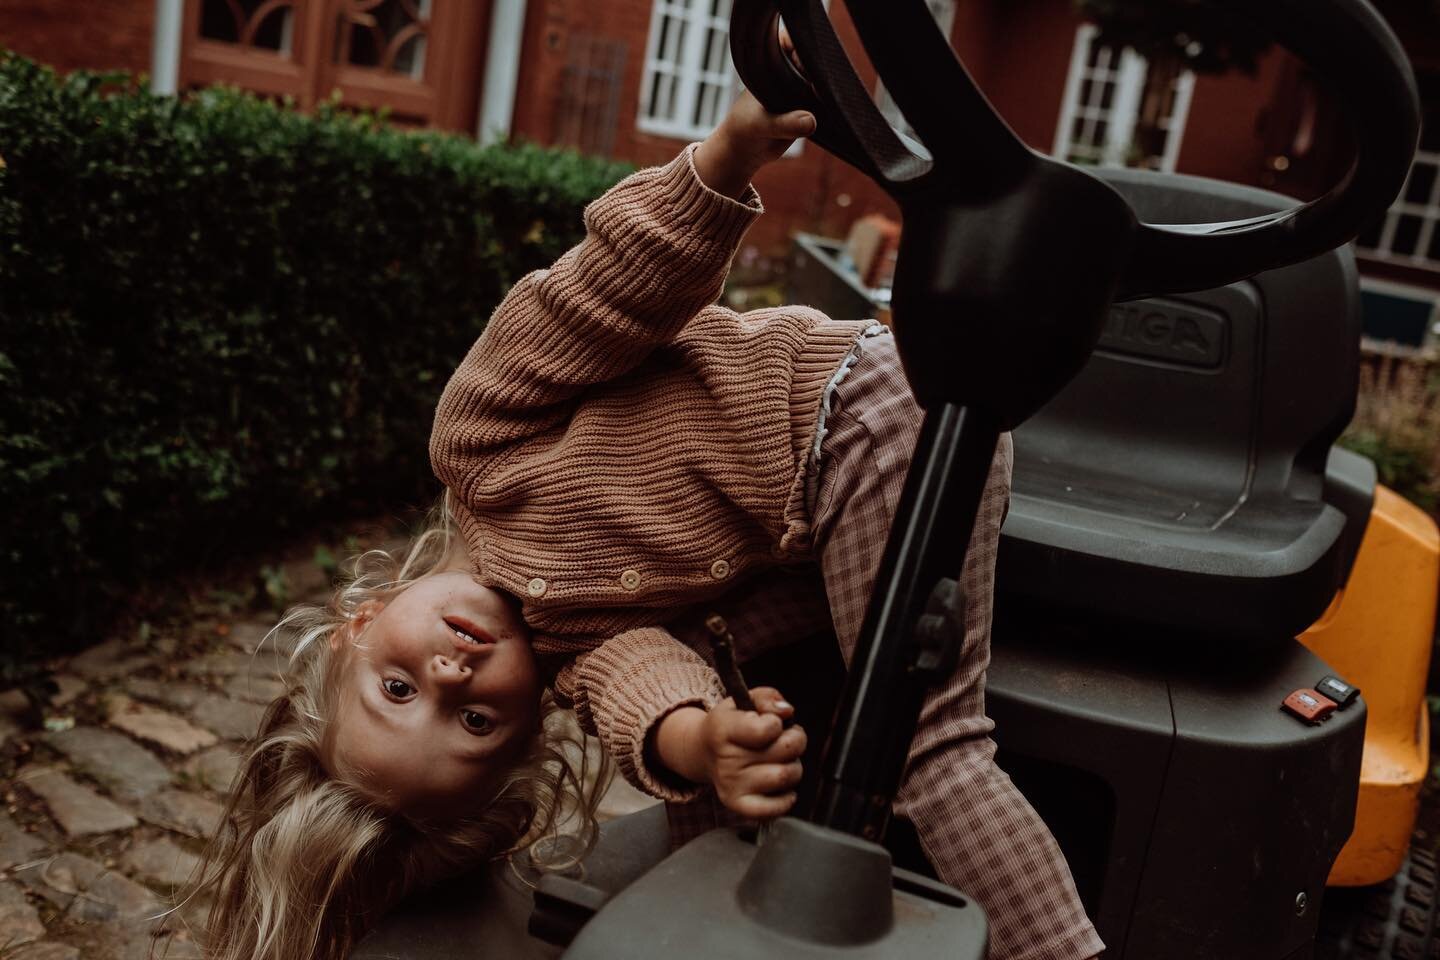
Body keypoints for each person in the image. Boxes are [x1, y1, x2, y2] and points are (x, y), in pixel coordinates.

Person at [189, 75, 1104, 960]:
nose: (450, 671)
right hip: (825, 511)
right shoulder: (578, 648)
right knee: (717, 738)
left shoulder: (478, 443)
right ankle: (731, 910)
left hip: (851, 415)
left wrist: (725, 159)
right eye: (472, 721)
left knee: (929, 752)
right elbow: (645, 693)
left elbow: (600, 297)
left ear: (358, 623)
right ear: (522, 733)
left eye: (398, 689)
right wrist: (702, 741)